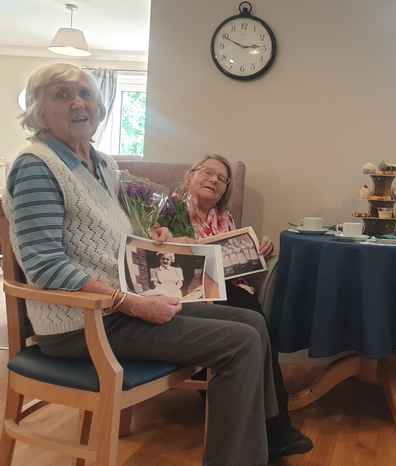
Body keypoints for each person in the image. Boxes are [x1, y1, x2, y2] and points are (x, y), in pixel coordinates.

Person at [3, 63, 279, 466]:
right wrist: (132, 303)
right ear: (39, 110)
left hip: (116, 311)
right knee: (239, 342)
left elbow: (112, 235)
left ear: (100, 107)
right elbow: (46, 267)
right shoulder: (36, 166)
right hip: (79, 324)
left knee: (251, 322)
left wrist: (154, 238)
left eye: (86, 94)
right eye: (62, 95)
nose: (79, 102)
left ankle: (263, 442)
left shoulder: (97, 164)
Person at [175, 154, 313, 461]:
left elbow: (237, 268)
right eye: (207, 173)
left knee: (257, 321)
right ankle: (275, 429)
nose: (214, 180)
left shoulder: (224, 219)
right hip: (194, 292)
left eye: (222, 179)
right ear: (190, 176)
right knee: (252, 318)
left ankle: (271, 428)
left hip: (230, 289)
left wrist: (257, 254)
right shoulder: (169, 211)